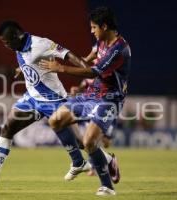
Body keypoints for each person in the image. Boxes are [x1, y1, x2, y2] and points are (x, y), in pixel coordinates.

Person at [0, 20, 93, 190]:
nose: (5, 46)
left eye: (6, 42)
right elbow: (30, 60)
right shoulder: (19, 46)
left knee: (81, 142)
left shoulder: (41, 43)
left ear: (16, 36)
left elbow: (68, 54)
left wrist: (88, 69)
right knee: (8, 127)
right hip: (33, 99)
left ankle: (105, 161)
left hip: (53, 99)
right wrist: (23, 69)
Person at [40, 7, 131, 195]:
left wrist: (61, 68)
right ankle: (81, 161)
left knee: (90, 142)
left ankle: (107, 186)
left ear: (104, 26)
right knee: (56, 119)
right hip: (91, 94)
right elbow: (85, 62)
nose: (92, 31)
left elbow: (92, 71)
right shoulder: (101, 43)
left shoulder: (119, 49)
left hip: (109, 99)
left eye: (94, 27)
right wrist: (56, 58)